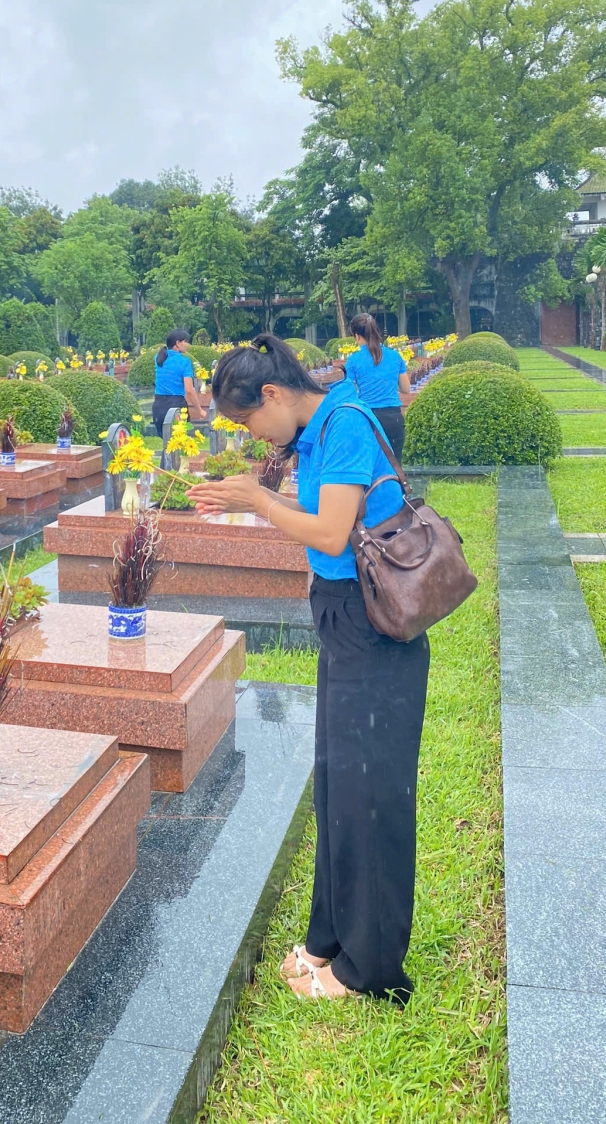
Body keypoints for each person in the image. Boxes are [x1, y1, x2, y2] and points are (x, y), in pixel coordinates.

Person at [192, 334, 429, 1003]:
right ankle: (331, 940)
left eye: (248, 421)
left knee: (370, 795)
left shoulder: (344, 422)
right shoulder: (318, 429)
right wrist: (251, 499)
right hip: (342, 615)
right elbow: (325, 518)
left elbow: (329, 534)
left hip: (372, 623)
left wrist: (258, 501)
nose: (254, 436)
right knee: (338, 787)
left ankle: (367, 970)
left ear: (272, 394)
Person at [341, 313, 410, 460]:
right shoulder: (395, 356)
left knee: (369, 467)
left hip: (367, 419)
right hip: (394, 420)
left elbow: (348, 392)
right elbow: (406, 389)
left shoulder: (353, 360)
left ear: (357, 336)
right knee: (394, 467)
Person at [152, 329, 208, 436]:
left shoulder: (157, 358)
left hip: (158, 406)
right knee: (179, 441)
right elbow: (189, 390)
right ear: (178, 343)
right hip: (176, 405)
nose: (188, 345)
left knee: (167, 443)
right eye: (186, 342)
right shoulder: (184, 362)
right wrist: (200, 410)